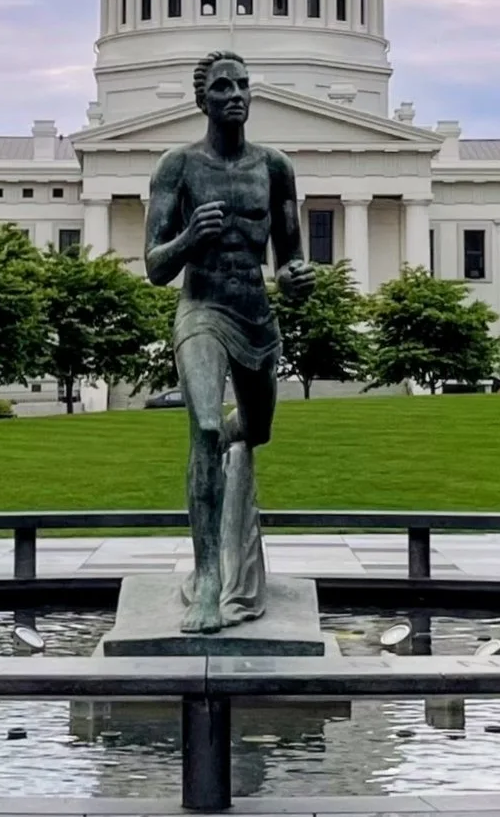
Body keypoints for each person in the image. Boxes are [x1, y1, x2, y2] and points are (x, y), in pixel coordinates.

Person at [144, 50, 316, 633]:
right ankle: (209, 581)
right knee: (206, 427)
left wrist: (296, 277)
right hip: (202, 309)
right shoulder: (177, 167)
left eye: (242, 85)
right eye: (223, 87)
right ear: (203, 99)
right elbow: (155, 266)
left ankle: (224, 490)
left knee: (255, 430)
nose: (236, 94)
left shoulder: (275, 167)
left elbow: (289, 255)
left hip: (255, 316)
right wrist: (191, 236)